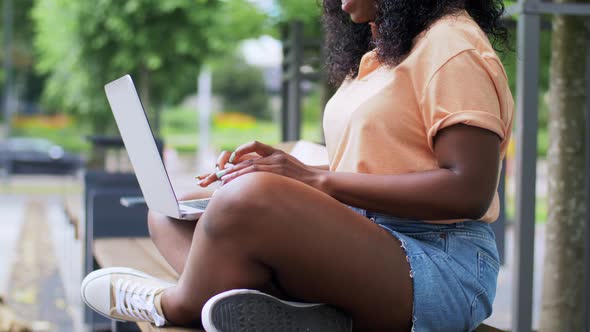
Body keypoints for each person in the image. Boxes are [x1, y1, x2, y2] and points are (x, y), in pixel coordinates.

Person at [80, 0, 513, 330]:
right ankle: (301, 314)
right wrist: (287, 166)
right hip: (368, 238)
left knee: (245, 200)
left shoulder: (453, 45)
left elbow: (469, 190)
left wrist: (314, 180)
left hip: (436, 262)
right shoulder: (380, 56)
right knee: (170, 209)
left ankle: (170, 305)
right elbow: (380, 158)